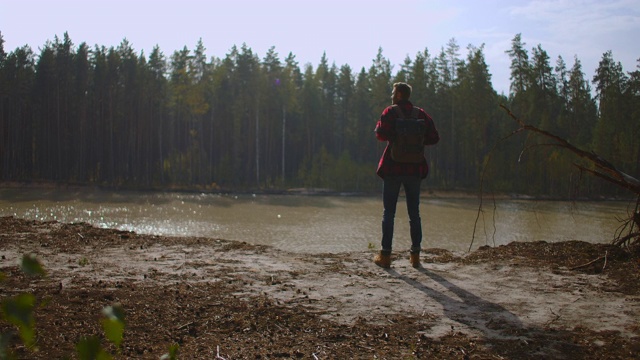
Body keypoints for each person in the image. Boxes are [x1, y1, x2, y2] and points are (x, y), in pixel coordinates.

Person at [373, 82, 439, 268]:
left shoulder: (390, 112)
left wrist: (396, 137)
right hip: (414, 169)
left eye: (393, 92)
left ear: (400, 94)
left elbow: (380, 134)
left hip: (393, 168)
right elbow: (434, 137)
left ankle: (385, 256)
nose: (391, 95)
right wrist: (416, 141)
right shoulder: (421, 114)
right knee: (414, 213)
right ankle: (415, 256)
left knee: (389, 213)